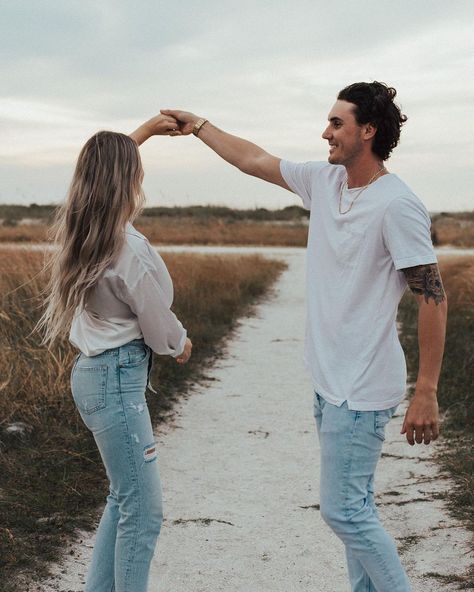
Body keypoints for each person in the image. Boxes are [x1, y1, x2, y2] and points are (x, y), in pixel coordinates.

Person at [135, 82, 447, 591]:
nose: (325, 132)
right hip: (329, 382)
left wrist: (428, 390)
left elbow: (432, 296)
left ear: (367, 132)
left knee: (344, 513)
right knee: (357, 510)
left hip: (363, 386)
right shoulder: (326, 181)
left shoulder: (398, 205)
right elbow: (255, 160)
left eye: (336, 124)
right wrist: (201, 127)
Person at [37, 118, 192, 592]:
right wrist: (180, 343)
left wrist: (143, 132)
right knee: (143, 514)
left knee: (123, 499)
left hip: (93, 375)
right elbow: (156, 319)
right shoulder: (128, 248)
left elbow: (103, 168)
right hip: (116, 379)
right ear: (129, 181)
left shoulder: (83, 233)